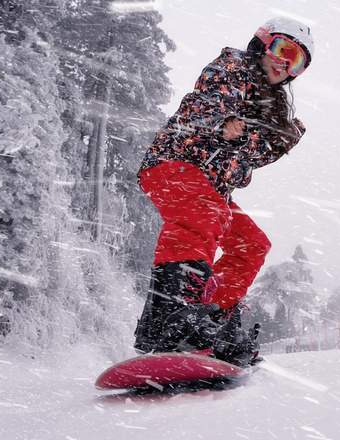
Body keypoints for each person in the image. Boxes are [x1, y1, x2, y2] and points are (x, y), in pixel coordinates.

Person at [133, 17, 314, 367]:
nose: (286, 63)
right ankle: (169, 318)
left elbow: (245, 157)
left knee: (252, 244)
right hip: (173, 163)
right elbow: (204, 105)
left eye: (298, 62)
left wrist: (277, 143)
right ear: (263, 43)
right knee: (204, 215)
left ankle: (210, 320)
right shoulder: (233, 68)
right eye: (283, 50)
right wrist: (220, 125)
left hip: (210, 185)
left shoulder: (268, 103)